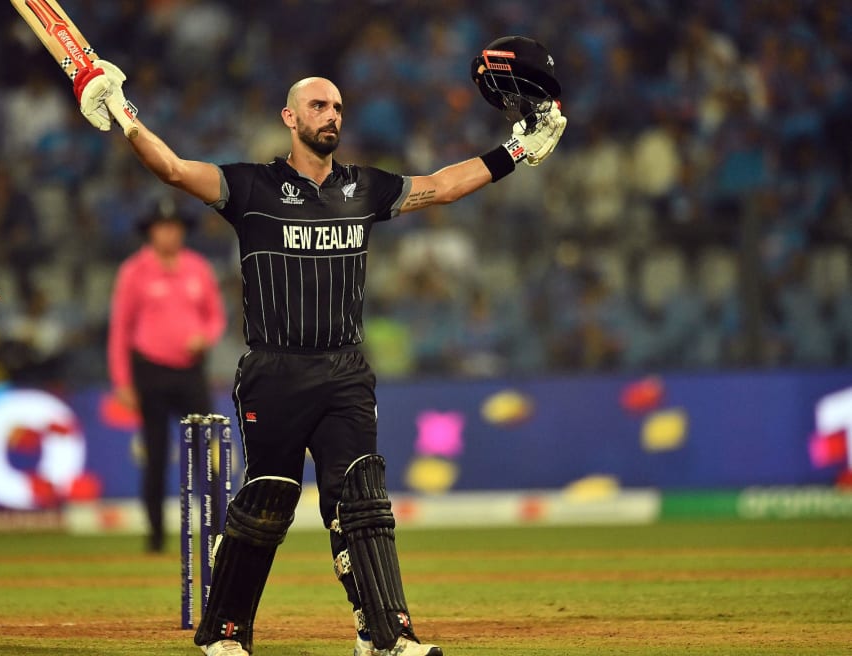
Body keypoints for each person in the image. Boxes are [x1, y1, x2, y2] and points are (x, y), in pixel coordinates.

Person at [72, 35, 566, 656]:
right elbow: (173, 169)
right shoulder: (249, 188)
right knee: (268, 500)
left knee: (362, 497)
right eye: (318, 107)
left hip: (345, 371)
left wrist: (515, 150)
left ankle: (386, 637)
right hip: (274, 371)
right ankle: (224, 634)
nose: (331, 115)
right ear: (290, 118)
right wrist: (123, 113)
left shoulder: (363, 188)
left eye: (337, 108)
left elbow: (441, 186)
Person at [107, 206, 226, 552]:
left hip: (191, 371)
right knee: (156, 455)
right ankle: (156, 535)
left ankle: (218, 531)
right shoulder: (134, 271)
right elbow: (120, 330)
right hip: (151, 371)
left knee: (206, 451)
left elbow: (216, 316)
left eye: (175, 227)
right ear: (151, 232)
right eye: (162, 228)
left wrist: (205, 336)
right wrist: (122, 381)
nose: (169, 234)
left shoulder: (198, 268)